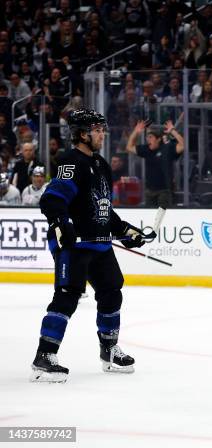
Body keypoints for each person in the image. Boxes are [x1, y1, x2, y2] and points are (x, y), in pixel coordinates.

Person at [30, 109, 147, 383]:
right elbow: (52, 199)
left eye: (102, 129)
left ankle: (109, 351)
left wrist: (125, 230)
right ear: (82, 134)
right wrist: (61, 223)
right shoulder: (71, 161)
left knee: (111, 292)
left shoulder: (101, 164)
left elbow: (103, 209)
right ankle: (44, 356)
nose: (102, 134)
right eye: (97, 130)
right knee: (68, 296)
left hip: (99, 246)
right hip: (76, 246)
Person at [126, 119, 185, 208]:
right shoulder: (146, 149)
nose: (148, 140)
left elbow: (183, 145)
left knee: (162, 216)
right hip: (149, 190)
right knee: (150, 218)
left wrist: (173, 131)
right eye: (147, 137)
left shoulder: (167, 148)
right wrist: (136, 132)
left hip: (164, 190)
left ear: (158, 139)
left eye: (151, 137)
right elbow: (129, 147)